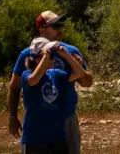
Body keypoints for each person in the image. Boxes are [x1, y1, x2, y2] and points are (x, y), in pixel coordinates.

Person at [8, 11, 94, 153]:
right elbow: (15, 86)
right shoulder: (27, 54)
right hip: (38, 121)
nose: (60, 29)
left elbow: (87, 82)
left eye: (61, 25)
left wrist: (74, 63)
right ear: (42, 29)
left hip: (66, 119)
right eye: (55, 26)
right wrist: (12, 116)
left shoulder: (70, 51)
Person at [20, 37, 89, 154]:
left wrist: (67, 55)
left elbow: (79, 73)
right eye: (52, 56)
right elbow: (34, 80)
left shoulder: (54, 74)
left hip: (57, 138)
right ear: (38, 59)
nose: (53, 60)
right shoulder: (26, 75)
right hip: (34, 139)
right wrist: (46, 57)